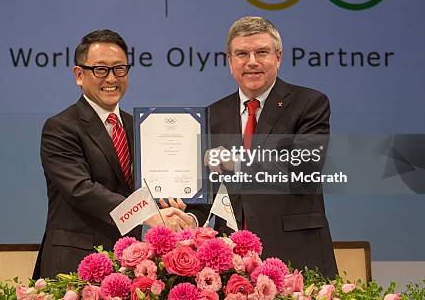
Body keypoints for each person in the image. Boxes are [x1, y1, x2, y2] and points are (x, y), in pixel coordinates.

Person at [32, 29, 194, 279]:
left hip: (128, 263)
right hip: (75, 265)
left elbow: (151, 184)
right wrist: (150, 214)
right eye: (100, 69)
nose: (111, 78)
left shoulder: (140, 127)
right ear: (79, 75)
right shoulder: (61, 127)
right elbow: (81, 190)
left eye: (119, 68)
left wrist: (170, 202)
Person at [208, 16, 338, 277]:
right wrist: (187, 213)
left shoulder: (309, 103)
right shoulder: (213, 113)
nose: (252, 61)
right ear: (230, 62)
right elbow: (209, 184)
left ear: (278, 58)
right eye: (242, 54)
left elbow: (305, 164)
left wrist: (238, 162)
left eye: (262, 52)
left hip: (296, 253)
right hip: (232, 262)